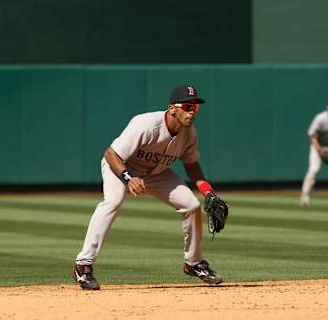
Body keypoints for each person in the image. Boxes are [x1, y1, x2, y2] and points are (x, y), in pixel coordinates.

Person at [71, 85, 225, 290]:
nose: (191, 112)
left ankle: (193, 263)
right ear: (172, 108)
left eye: (195, 108)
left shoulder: (189, 133)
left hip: (156, 173)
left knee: (192, 205)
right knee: (112, 202)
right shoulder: (146, 124)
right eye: (187, 106)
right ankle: (83, 265)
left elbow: (192, 164)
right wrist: (128, 177)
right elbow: (111, 154)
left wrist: (208, 191)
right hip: (121, 167)